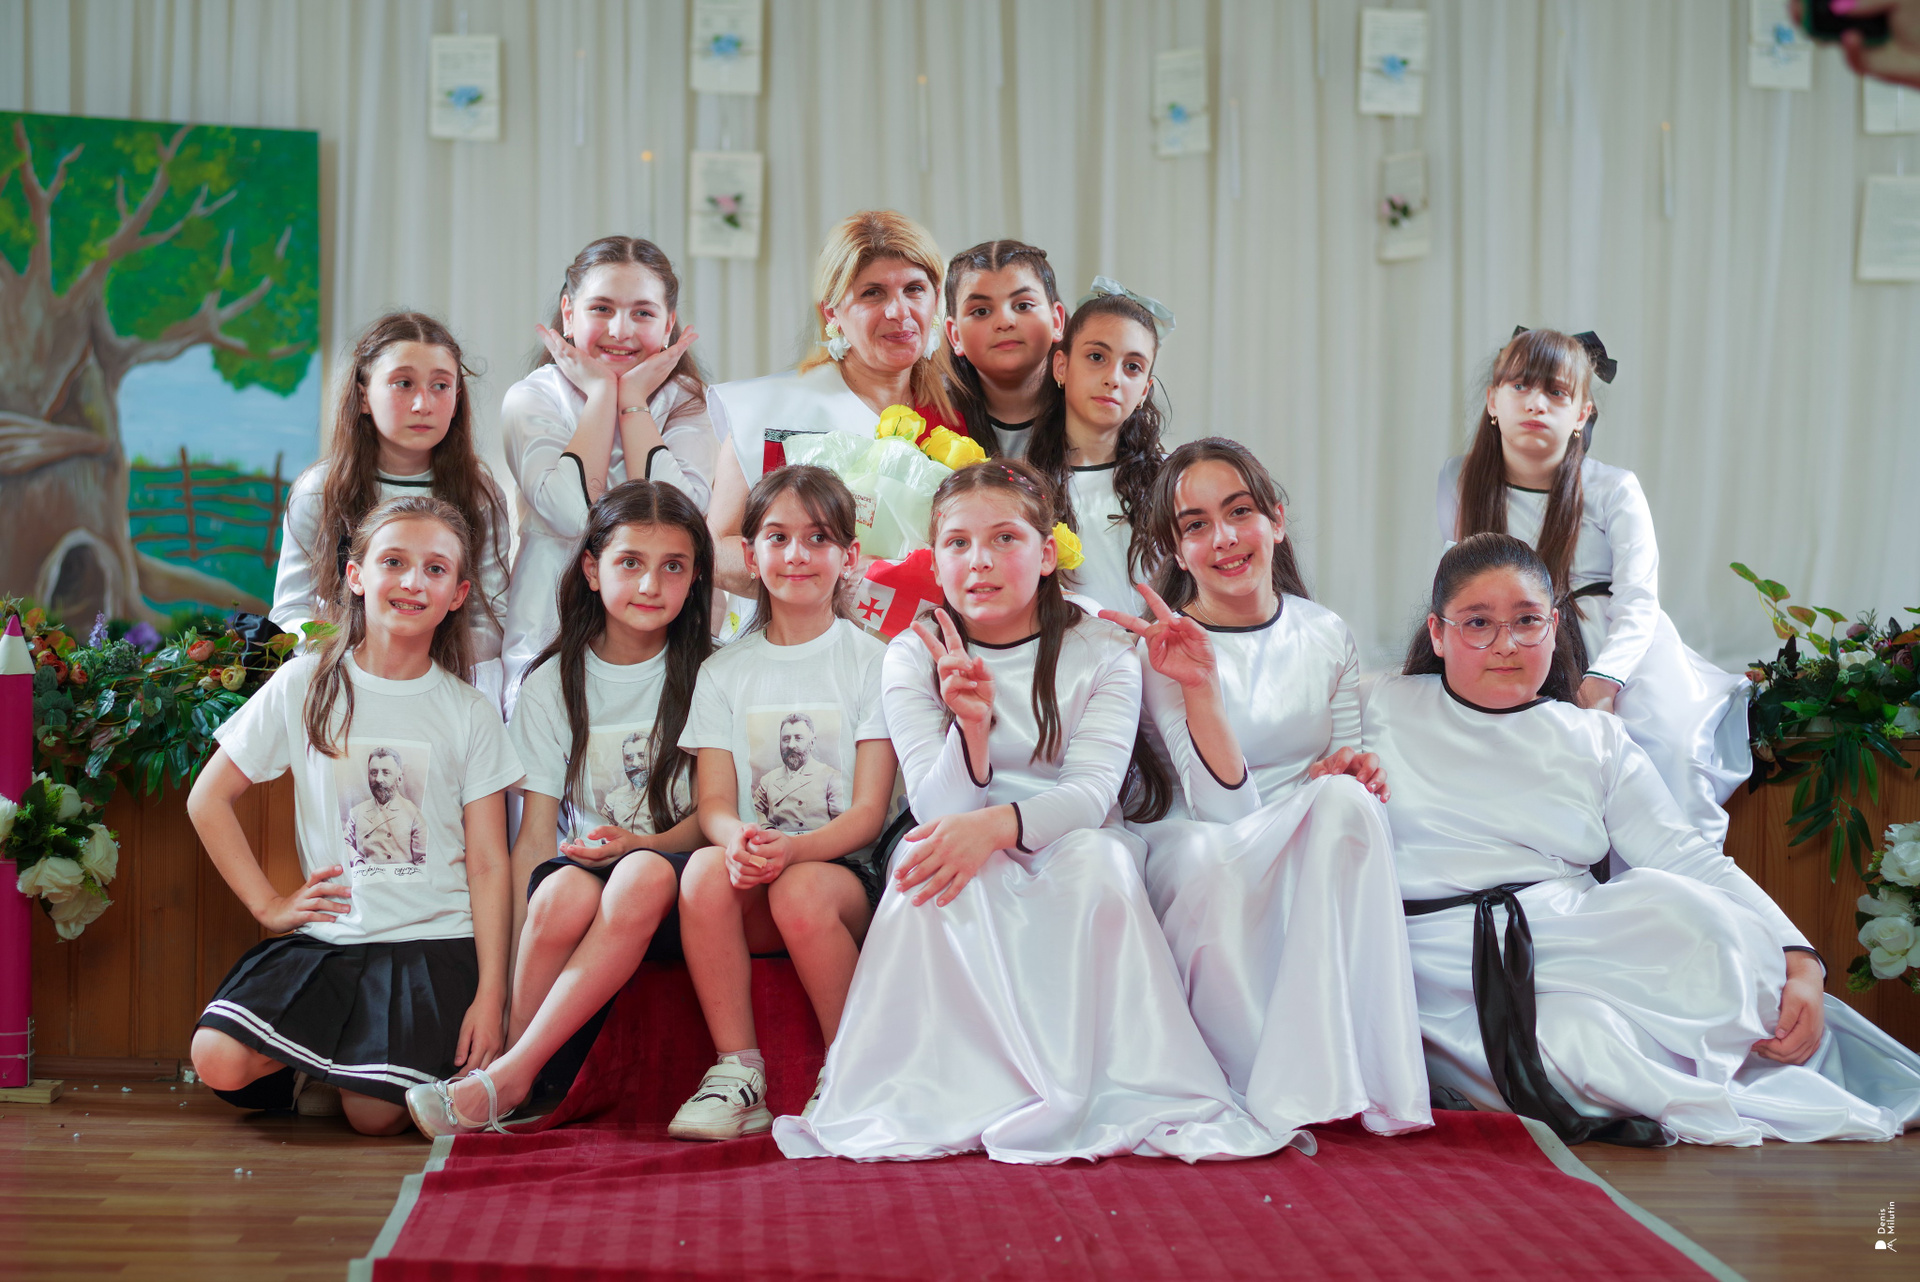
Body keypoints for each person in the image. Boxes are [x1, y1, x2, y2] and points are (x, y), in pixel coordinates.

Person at [776, 459, 1292, 1165]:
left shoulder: (1101, 645)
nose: (980, 562)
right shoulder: (910, 655)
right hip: (958, 823)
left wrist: (999, 827)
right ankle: (958, 1090)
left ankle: (1103, 1086)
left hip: (1073, 834)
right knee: (936, 864)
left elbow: (1091, 793)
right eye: (958, 544)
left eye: (1005, 539)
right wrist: (972, 732)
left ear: (1047, 553)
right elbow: (937, 809)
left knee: (1097, 861)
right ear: (936, 559)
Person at [1366, 532, 1920, 1145]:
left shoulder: (1594, 739)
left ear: (1554, 626)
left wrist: (1801, 959)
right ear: (1438, 633)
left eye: (1526, 621)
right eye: (1478, 623)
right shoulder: (1379, 705)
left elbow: (1685, 856)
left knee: (1702, 923)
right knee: (1591, 1055)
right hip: (1431, 960)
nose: (1506, 644)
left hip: (1573, 940)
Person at [1101, 439, 1430, 1139]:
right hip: (1201, 839)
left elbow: (1345, 761)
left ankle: (1362, 1078)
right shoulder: (1165, 649)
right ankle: (1270, 1085)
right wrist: (1201, 686)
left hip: (1306, 829)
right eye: (1196, 525)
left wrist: (1352, 771)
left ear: (1275, 520)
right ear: (1177, 550)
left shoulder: (1326, 632)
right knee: (1225, 853)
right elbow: (1222, 812)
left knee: (1350, 804)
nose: (1223, 538)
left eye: (1239, 512)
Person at [188, 497, 522, 1136]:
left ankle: (338, 1073)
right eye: (393, 561)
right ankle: (329, 1068)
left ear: (457, 594)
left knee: (372, 1117)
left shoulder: (470, 712)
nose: (412, 581)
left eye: (435, 569)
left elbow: (487, 862)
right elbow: (207, 799)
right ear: (356, 575)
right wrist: (269, 905)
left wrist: (491, 993)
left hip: (433, 945)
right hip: (333, 942)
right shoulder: (306, 684)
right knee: (217, 1059)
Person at [408, 481, 714, 1136]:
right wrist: (497, 986)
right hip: (595, 875)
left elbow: (719, 814)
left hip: (689, 880)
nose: (650, 585)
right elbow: (533, 841)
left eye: (673, 566)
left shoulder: (712, 674)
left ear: (696, 579)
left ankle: (510, 1077)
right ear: (592, 569)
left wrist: (645, 846)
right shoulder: (553, 683)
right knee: (559, 893)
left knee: (642, 873)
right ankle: (512, 1068)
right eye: (630, 562)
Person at [1439, 327, 1750, 845]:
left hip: (1619, 646)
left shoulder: (1614, 488)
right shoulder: (1460, 479)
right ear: (1493, 400)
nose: (1536, 403)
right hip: (1521, 640)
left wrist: (1605, 680)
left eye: (1556, 392)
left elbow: (1638, 598)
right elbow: (1456, 579)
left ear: (1582, 413)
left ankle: (1681, 877)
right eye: (1520, 386)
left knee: (1668, 747)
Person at [671, 466, 899, 1140]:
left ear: (849, 557)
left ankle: (856, 1070)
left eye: (818, 538)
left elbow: (867, 814)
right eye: (778, 537)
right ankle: (737, 1074)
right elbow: (714, 803)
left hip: (842, 879)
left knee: (799, 890)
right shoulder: (723, 672)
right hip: (758, 873)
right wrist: (737, 838)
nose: (797, 554)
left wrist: (792, 852)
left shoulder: (875, 663)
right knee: (705, 868)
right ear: (750, 555)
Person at [706, 210, 964, 604]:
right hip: (797, 633)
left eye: (914, 289)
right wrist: (829, 579)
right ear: (832, 313)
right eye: (872, 293)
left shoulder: (958, 419)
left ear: (936, 300)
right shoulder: (770, 410)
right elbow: (717, 550)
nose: (899, 312)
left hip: (926, 636)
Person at [499, 236, 711, 705]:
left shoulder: (690, 402)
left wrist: (632, 401)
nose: (620, 330)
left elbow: (681, 520)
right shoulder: (533, 398)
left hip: (664, 639)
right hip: (548, 632)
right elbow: (575, 518)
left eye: (643, 313)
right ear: (568, 313)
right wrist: (602, 396)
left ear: (669, 324)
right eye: (601, 308)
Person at [270, 312, 511, 695]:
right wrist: (356, 656)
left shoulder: (480, 493)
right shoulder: (320, 490)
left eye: (440, 386)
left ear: (456, 399)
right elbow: (290, 611)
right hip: (341, 683)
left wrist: (417, 660)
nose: (422, 404)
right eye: (403, 383)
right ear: (363, 396)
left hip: (442, 686)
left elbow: (492, 617)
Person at [1026, 279, 1171, 617]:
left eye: (1132, 366)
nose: (1113, 378)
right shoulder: (1022, 484)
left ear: (1144, 390)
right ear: (1061, 366)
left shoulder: (1173, 480)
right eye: (1096, 357)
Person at [942, 239, 1067, 459]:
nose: (1005, 322)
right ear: (955, 335)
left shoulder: (1095, 407)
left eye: (1023, 306)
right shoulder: (933, 420)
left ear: (1056, 321)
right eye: (981, 311)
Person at [345, 746, 427, 866]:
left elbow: (423, 861)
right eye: (373, 772)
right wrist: (357, 861)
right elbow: (343, 844)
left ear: (399, 779)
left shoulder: (413, 814)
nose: (378, 779)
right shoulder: (357, 812)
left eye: (386, 772)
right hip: (366, 876)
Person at [598, 731, 652, 830]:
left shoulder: (675, 790)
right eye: (629, 758)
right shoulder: (613, 799)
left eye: (642, 756)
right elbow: (603, 832)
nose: (635, 763)